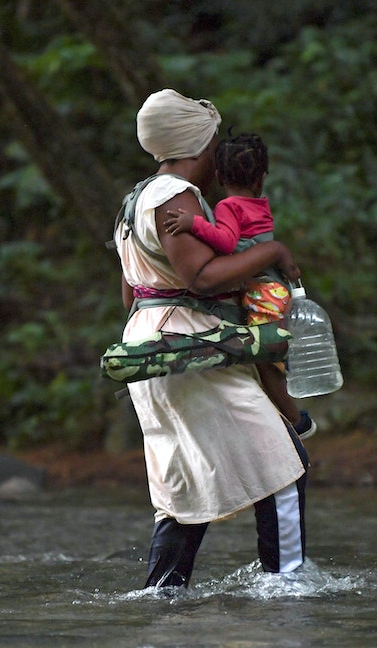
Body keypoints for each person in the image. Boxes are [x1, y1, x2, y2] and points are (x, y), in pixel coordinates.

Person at [113, 88, 310, 588]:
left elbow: (131, 291)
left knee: (182, 485)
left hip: (149, 346)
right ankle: (286, 588)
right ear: (197, 147)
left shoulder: (133, 201)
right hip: (191, 351)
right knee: (284, 463)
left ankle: (163, 595)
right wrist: (272, 253)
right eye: (214, 145)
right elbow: (202, 277)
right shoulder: (174, 196)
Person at [162, 131, 316, 439]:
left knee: (263, 356)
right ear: (261, 179)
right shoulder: (259, 204)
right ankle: (288, 413)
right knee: (268, 352)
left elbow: (228, 241)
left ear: (218, 176)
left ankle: (297, 421)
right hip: (274, 289)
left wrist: (194, 224)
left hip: (261, 292)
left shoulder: (228, 207)